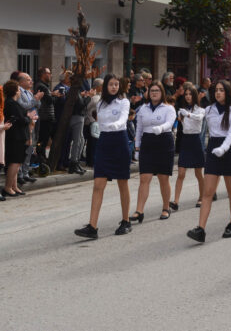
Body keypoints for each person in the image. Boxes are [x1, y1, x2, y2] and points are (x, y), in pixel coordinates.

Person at [74, 75, 132, 239]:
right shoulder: (100, 103)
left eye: (116, 84)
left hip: (119, 140)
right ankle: (92, 226)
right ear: (105, 86)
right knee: (98, 184)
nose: (114, 87)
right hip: (104, 141)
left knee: (122, 182)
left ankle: (126, 221)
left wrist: (116, 125)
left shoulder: (124, 102)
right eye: (111, 84)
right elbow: (97, 120)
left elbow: (123, 118)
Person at [187, 81, 231, 242]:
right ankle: (201, 229)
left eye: (221, 90)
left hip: (228, 148)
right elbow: (198, 120)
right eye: (216, 90)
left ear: (227, 92)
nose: (218, 93)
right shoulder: (209, 109)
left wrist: (223, 148)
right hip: (213, 148)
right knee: (208, 192)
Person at [131, 81, 176, 223]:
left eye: (157, 90)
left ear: (162, 92)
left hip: (164, 142)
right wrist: (137, 148)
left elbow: (170, 123)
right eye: (152, 91)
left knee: (163, 178)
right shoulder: (143, 109)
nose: (154, 93)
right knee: (144, 178)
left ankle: (166, 207)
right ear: (148, 93)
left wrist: (161, 128)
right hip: (148, 143)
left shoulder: (168, 108)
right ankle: (139, 211)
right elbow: (138, 129)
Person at [171, 84, 205, 211]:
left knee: (198, 173)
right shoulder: (182, 110)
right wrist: (181, 114)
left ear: (194, 96)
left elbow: (199, 118)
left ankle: (202, 197)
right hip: (185, 140)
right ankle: (175, 201)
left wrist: (188, 115)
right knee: (181, 173)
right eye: (186, 94)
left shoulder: (200, 110)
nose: (188, 96)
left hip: (196, 140)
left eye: (190, 94)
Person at [3, 81, 36, 197]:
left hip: (17, 135)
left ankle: (14, 186)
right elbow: (21, 120)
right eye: (18, 89)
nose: (20, 91)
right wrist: (28, 117)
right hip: (15, 136)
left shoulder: (13, 103)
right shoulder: (11, 103)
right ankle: (8, 187)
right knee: (15, 162)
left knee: (17, 162)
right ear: (15, 91)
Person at [16, 72, 42, 184]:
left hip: (33, 122)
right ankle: (19, 174)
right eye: (28, 80)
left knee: (30, 148)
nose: (31, 81)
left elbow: (38, 105)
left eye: (31, 79)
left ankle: (26, 172)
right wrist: (35, 100)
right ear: (21, 82)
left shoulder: (29, 92)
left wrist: (37, 99)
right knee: (24, 149)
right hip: (25, 123)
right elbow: (23, 106)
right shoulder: (19, 92)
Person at [34, 67, 60, 161]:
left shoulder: (44, 86)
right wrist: (56, 96)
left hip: (47, 117)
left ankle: (43, 158)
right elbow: (49, 101)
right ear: (43, 74)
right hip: (44, 118)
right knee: (42, 141)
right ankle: (41, 160)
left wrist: (52, 94)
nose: (51, 75)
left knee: (45, 140)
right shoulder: (41, 86)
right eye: (49, 73)